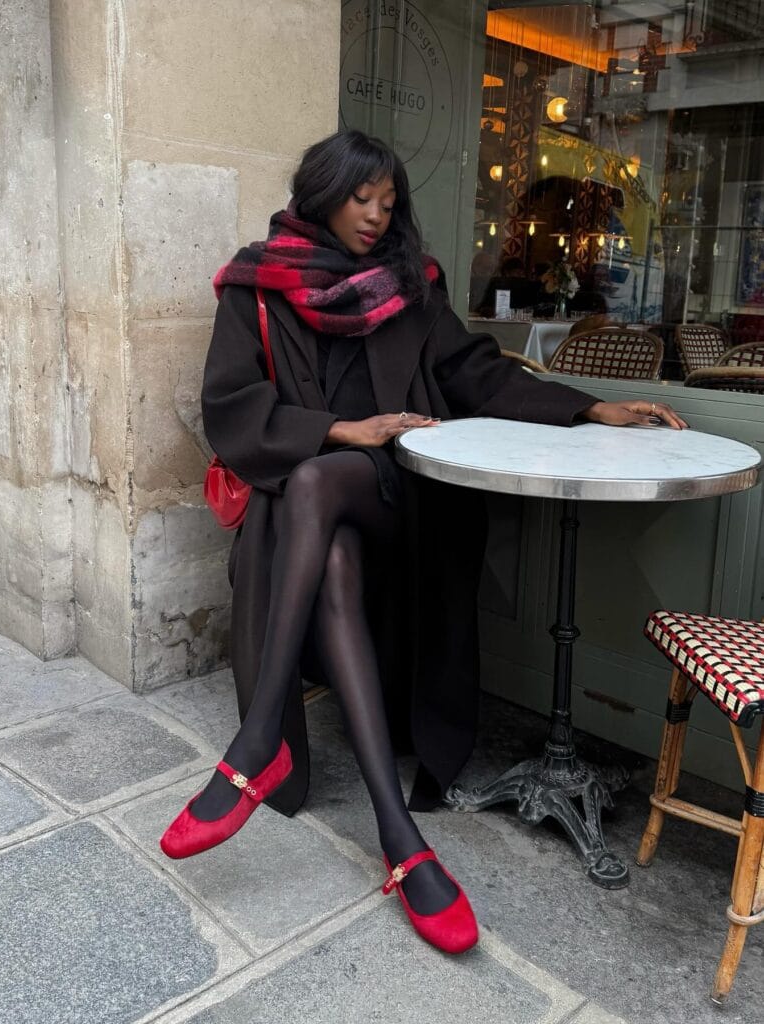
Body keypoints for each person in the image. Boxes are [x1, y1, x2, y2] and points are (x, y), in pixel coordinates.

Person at [159, 130, 686, 954]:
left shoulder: (410, 284)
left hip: (401, 491)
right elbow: (229, 406)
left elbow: (475, 371)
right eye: (360, 198)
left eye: (388, 202)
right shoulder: (255, 286)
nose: (376, 216)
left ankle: (257, 743)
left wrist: (587, 406)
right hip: (313, 499)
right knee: (324, 526)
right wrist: (342, 428)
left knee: (317, 488)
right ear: (321, 194)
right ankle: (398, 837)